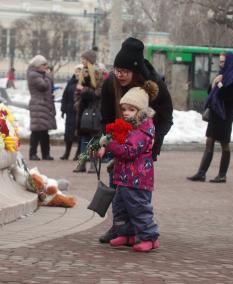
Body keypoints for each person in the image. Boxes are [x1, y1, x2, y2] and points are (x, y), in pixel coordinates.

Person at [99, 37, 173, 243]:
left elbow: (166, 118)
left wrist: (151, 147)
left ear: (136, 70)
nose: (120, 75)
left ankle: (144, 232)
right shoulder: (110, 85)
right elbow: (105, 117)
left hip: (143, 145)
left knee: (137, 192)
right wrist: (107, 141)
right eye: (117, 70)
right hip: (119, 143)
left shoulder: (153, 85)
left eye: (125, 71)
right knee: (118, 188)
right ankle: (122, 229)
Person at [97, 82, 159, 252]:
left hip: (138, 179)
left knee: (139, 208)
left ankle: (149, 238)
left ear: (141, 110)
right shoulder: (130, 127)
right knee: (121, 207)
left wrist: (110, 146)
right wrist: (106, 147)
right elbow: (120, 147)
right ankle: (127, 234)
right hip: (125, 178)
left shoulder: (143, 130)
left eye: (131, 109)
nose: (126, 113)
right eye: (124, 109)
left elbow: (129, 151)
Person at [187, 52, 233, 183]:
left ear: (230, 62)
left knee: (224, 144)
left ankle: (222, 175)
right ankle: (201, 173)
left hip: (225, 115)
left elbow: (226, 95)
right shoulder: (221, 74)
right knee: (209, 141)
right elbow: (210, 93)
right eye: (220, 61)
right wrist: (214, 83)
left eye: (223, 62)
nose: (221, 64)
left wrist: (219, 84)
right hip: (215, 113)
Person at [73, 49, 105, 173]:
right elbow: (77, 92)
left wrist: (84, 90)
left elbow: (99, 93)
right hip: (84, 110)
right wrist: (77, 103)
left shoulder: (98, 74)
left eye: (84, 59)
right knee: (83, 138)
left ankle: (93, 164)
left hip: (95, 110)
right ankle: (81, 164)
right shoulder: (83, 73)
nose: (82, 61)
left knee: (94, 138)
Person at [27, 55, 56, 161]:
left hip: (44, 105)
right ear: (38, 65)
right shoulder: (33, 75)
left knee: (44, 131)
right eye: (44, 64)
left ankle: (46, 154)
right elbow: (44, 86)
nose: (46, 66)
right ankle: (32, 153)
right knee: (36, 131)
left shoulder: (41, 75)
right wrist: (48, 76)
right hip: (38, 106)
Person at [60, 64, 83, 160]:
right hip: (70, 111)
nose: (77, 73)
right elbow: (65, 96)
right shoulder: (70, 82)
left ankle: (78, 153)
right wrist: (63, 109)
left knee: (78, 133)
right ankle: (67, 153)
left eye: (79, 71)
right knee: (68, 133)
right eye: (76, 71)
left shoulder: (84, 83)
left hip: (79, 112)